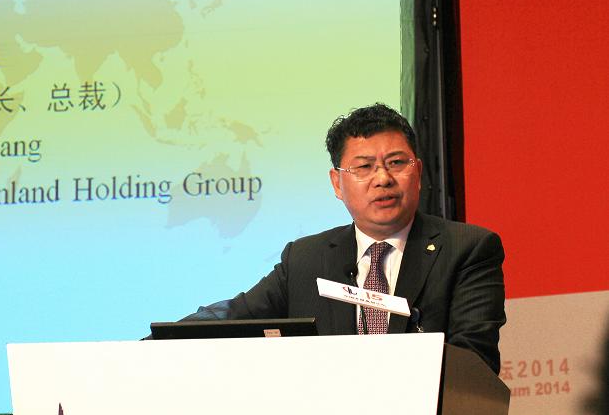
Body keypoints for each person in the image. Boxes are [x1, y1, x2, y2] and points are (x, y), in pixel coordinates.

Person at [184, 103, 506, 373]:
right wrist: (162, 341)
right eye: (364, 167)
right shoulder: (306, 259)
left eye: (396, 163)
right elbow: (235, 316)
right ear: (337, 184)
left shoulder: (467, 249)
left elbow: (474, 362)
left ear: (418, 173)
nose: (383, 179)